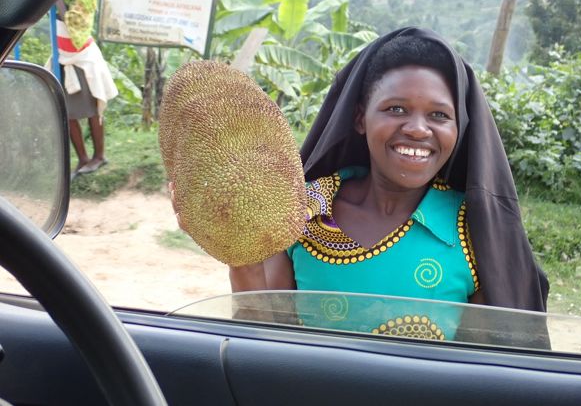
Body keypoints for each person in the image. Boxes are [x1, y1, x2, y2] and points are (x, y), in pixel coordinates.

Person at [172, 27, 549, 338]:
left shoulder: (475, 230)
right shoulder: (302, 210)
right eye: (395, 109)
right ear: (359, 119)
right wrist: (235, 248)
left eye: (439, 115)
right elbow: (263, 338)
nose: (418, 129)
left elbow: (487, 372)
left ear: (459, 129)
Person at [47, 0, 118, 177]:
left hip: (82, 59)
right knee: (67, 113)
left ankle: (99, 156)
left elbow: (76, 26)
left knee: (93, 110)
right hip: (61, 57)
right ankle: (83, 158)